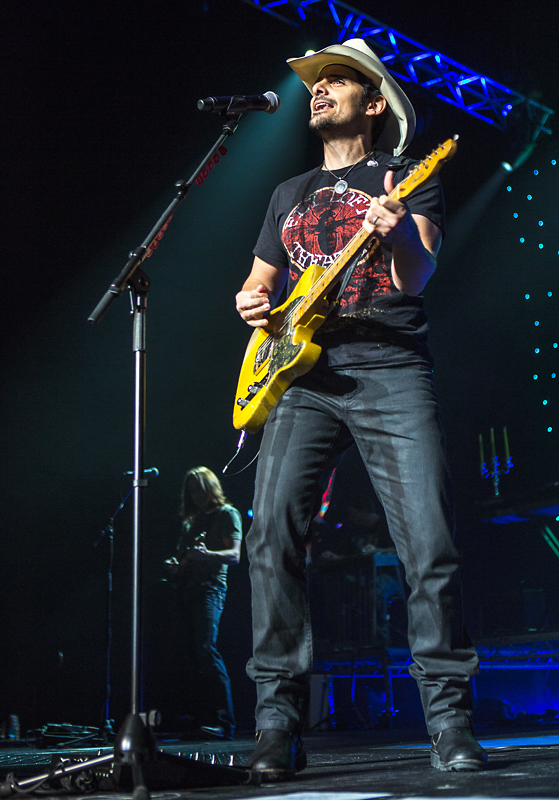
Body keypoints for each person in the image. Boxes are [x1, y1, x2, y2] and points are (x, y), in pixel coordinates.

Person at [235, 39, 487, 779]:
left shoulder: (405, 177)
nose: (319, 91)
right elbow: (257, 285)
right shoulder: (287, 191)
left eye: (337, 82)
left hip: (389, 368)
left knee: (427, 543)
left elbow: (415, 277)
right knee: (269, 537)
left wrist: (397, 230)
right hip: (302, 377)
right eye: (315, 84)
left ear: (372, 103)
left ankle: (447, 719)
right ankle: (276, 723)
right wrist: (250, 303)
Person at [165, 466, 242, 740]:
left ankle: (225, 720)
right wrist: (176, 566)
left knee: (207, 650)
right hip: (186, 591)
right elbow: (185, 558)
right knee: (192, 656)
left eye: (199, 489)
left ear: (211, 487)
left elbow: (234, 556)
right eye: (191, 491)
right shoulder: (193, 522)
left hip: (210, 590)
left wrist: (207, 555)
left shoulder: (227, 514)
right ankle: (203, 718)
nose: (195, 495)